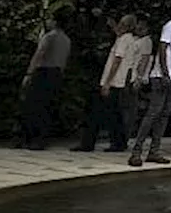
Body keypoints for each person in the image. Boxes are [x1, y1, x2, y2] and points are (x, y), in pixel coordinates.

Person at [127, 1, 171, 166]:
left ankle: (154, 151)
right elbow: (163, 48)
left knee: (164, 115)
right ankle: (136, 151)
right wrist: (165, 72)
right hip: (162, 76)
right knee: (153, 113)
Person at [72, 14, 137, 153]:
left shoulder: (123, 40)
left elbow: (117, 61)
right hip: (118, 82)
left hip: (112, 82)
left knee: (98, 112)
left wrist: (107, 82)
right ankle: (118, 142)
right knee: (114, 114)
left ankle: (89, 143)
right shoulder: (129, 39)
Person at [17, 11, 70, 150]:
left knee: (34, 106)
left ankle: (29, 137)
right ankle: (42, 138)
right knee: (48, 106)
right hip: (57, 73)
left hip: (44, 71)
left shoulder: (49, 37)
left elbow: (39, 54)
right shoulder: (66, 39)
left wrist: (29, 73)